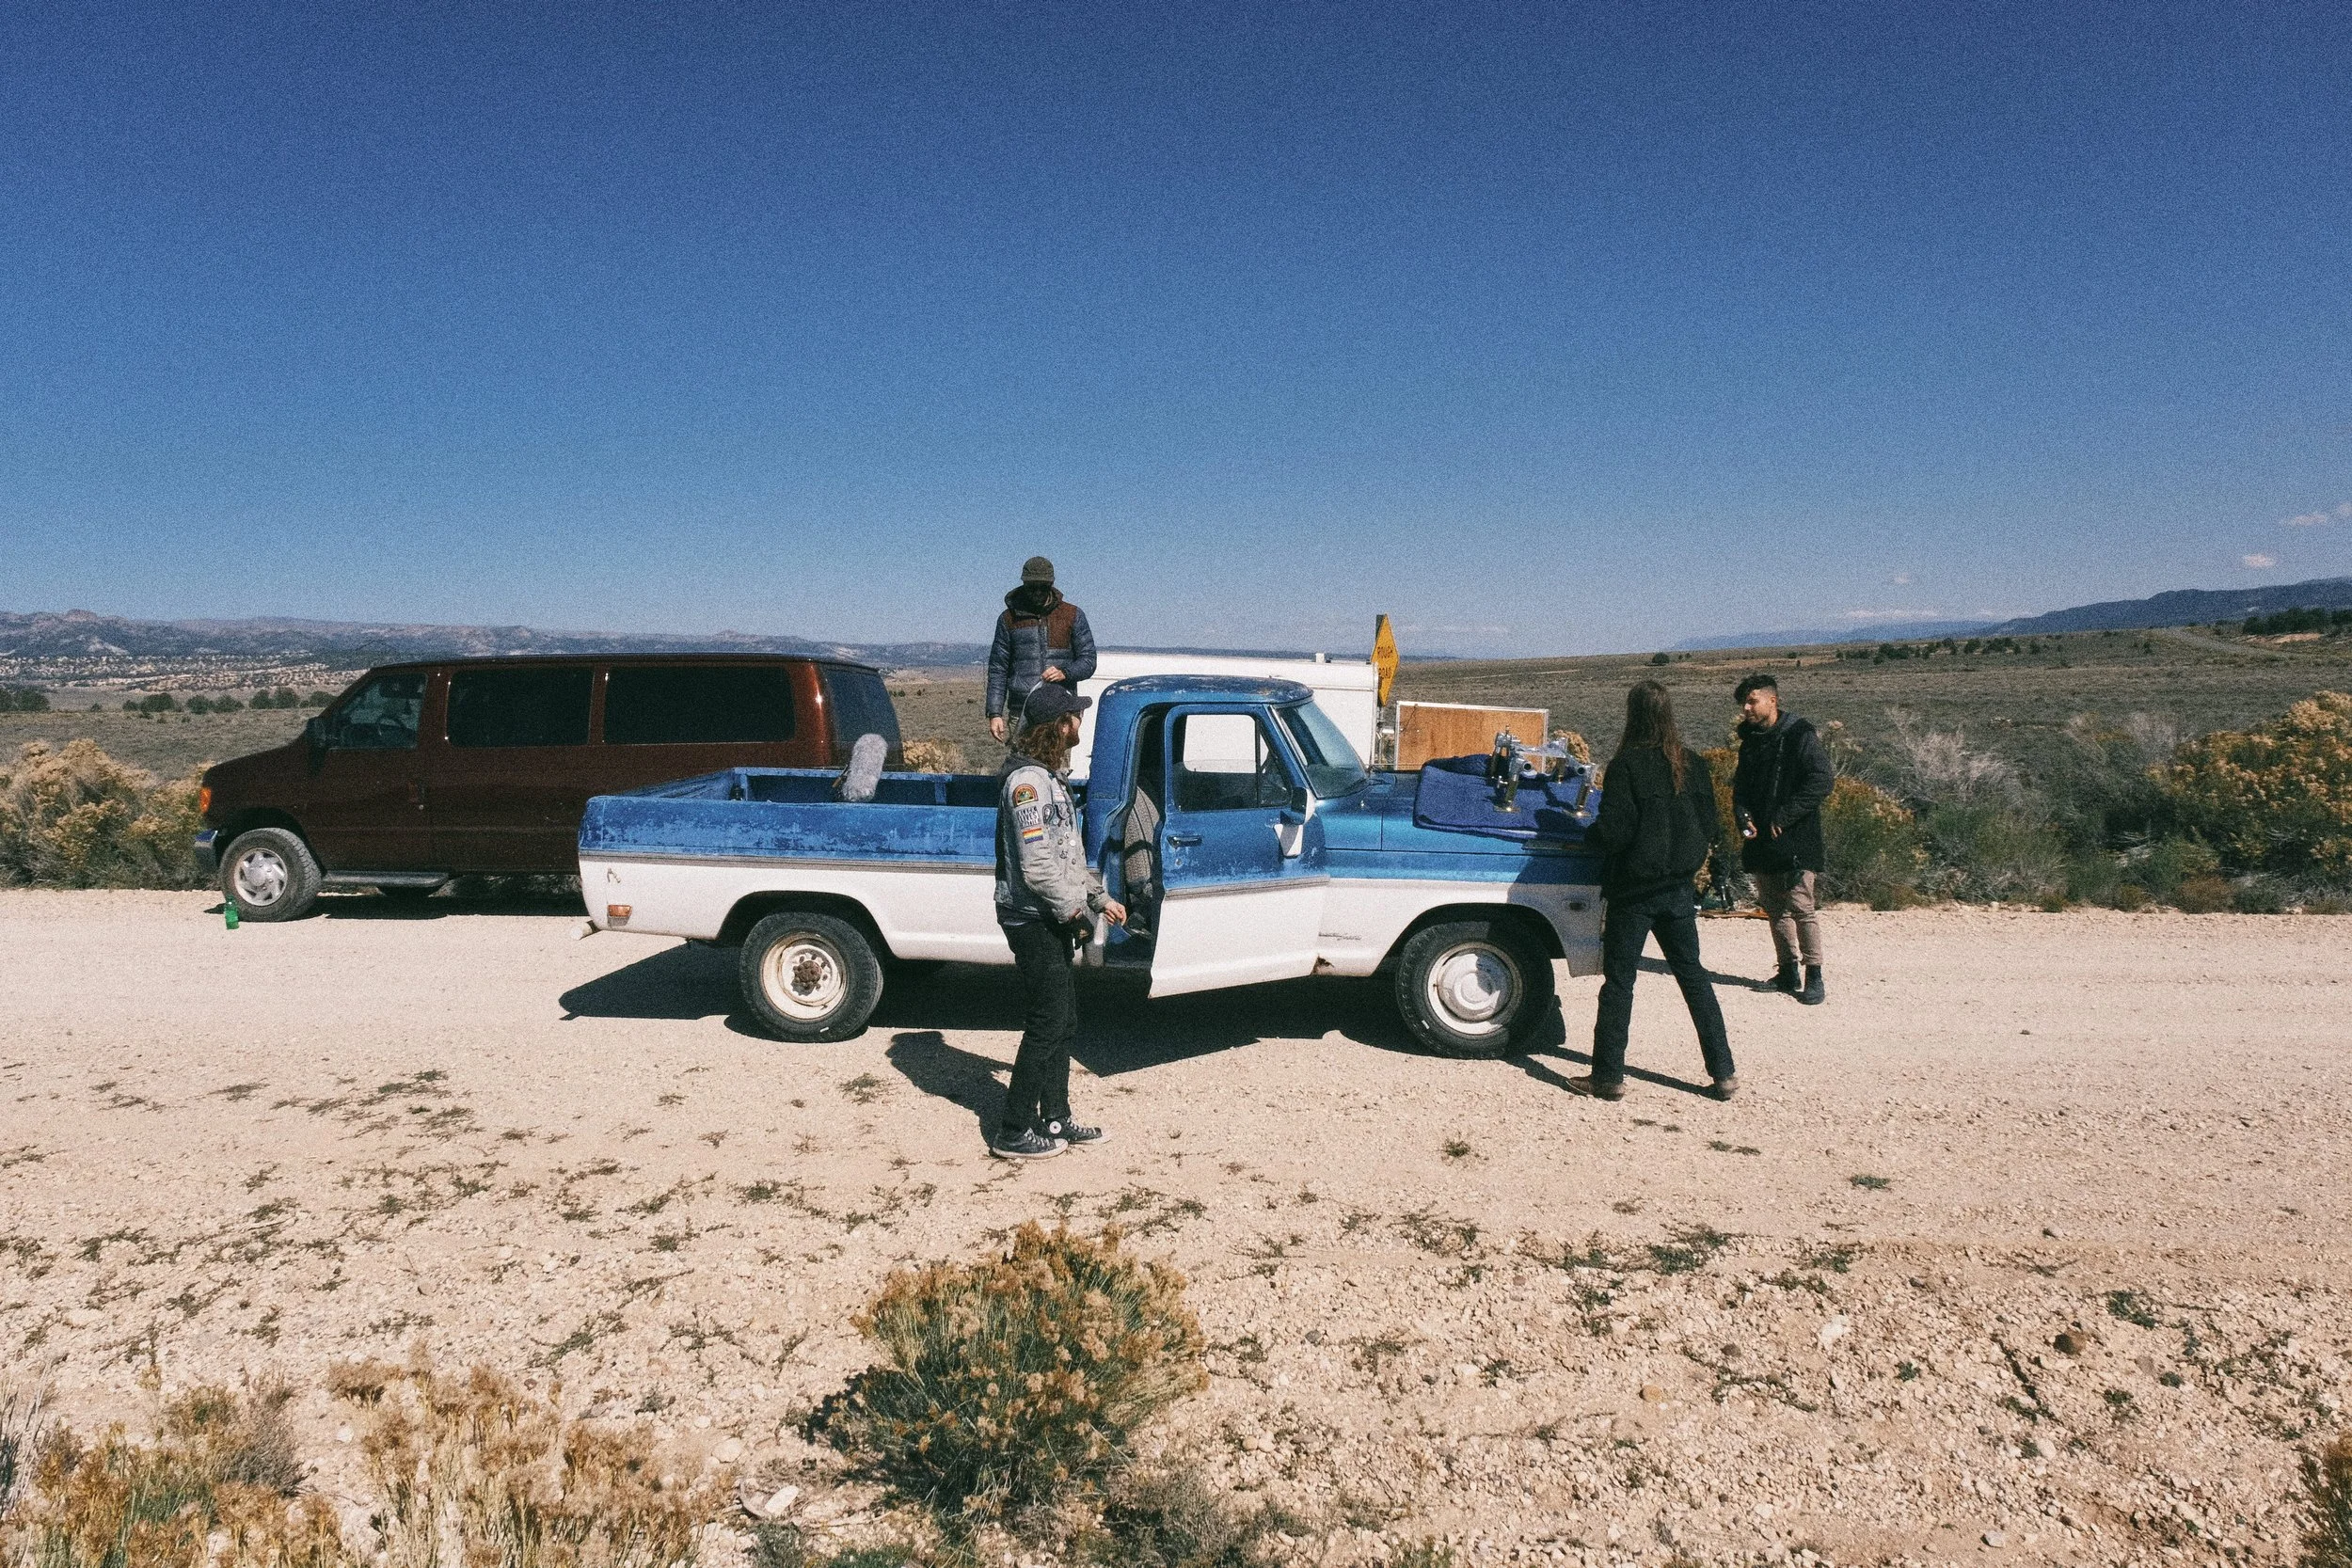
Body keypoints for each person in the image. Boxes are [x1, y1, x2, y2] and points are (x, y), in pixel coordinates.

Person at [1569, 680, 1738, 1102]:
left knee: (1620, 983)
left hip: (1634, 893)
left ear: (1633, 714)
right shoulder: (1694, 764)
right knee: (1695, 979)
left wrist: (1585, 835)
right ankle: (1724, 1073)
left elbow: (1615, 833)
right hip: (1679, 890)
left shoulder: (1626, 765)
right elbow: (1711, 827)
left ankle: (1608, 1077)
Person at [992, 683, 1125, 1159]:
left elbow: (1066, 856)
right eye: (1075, 715)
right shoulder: (1027, 784)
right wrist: (1074, 911)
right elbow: (1037, 866)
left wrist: (1098, 896)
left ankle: (1055, 1117)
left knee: (1064, 1020)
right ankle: (1012, 1131)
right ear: (1059, 725)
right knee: (1048, 1021)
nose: (1080, 723)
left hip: (1052, 913)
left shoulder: (1052, 779)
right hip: (1031, 917)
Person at [1731, 673, 1835, 1006]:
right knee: (1774, 907)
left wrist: (1786, 815)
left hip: (1796, 837)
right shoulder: (1751, 741)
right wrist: (1742, 814)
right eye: (1744, 702)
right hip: (1763, 838)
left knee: (1801, 906)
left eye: (1752, 701)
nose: (1746, 708)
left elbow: (1821, 780)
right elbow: (1742, 788)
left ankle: (1813, 974)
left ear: (1772, 700)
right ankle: (1788, 971)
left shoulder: (1799, 735)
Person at [987, 557, 1098, 745]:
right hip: (1021, 711)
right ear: (1023, 585)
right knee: (1022, 767)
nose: (1037, 592)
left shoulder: (1072, 615)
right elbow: (998, 669)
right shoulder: (1008, 619)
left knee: (1055, 770)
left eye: (1043, 587)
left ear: (1051, 585)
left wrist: (1065, 673)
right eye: (1032, 587)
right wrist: (995, 713)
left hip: (1060, 711)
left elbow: (1088, 661)